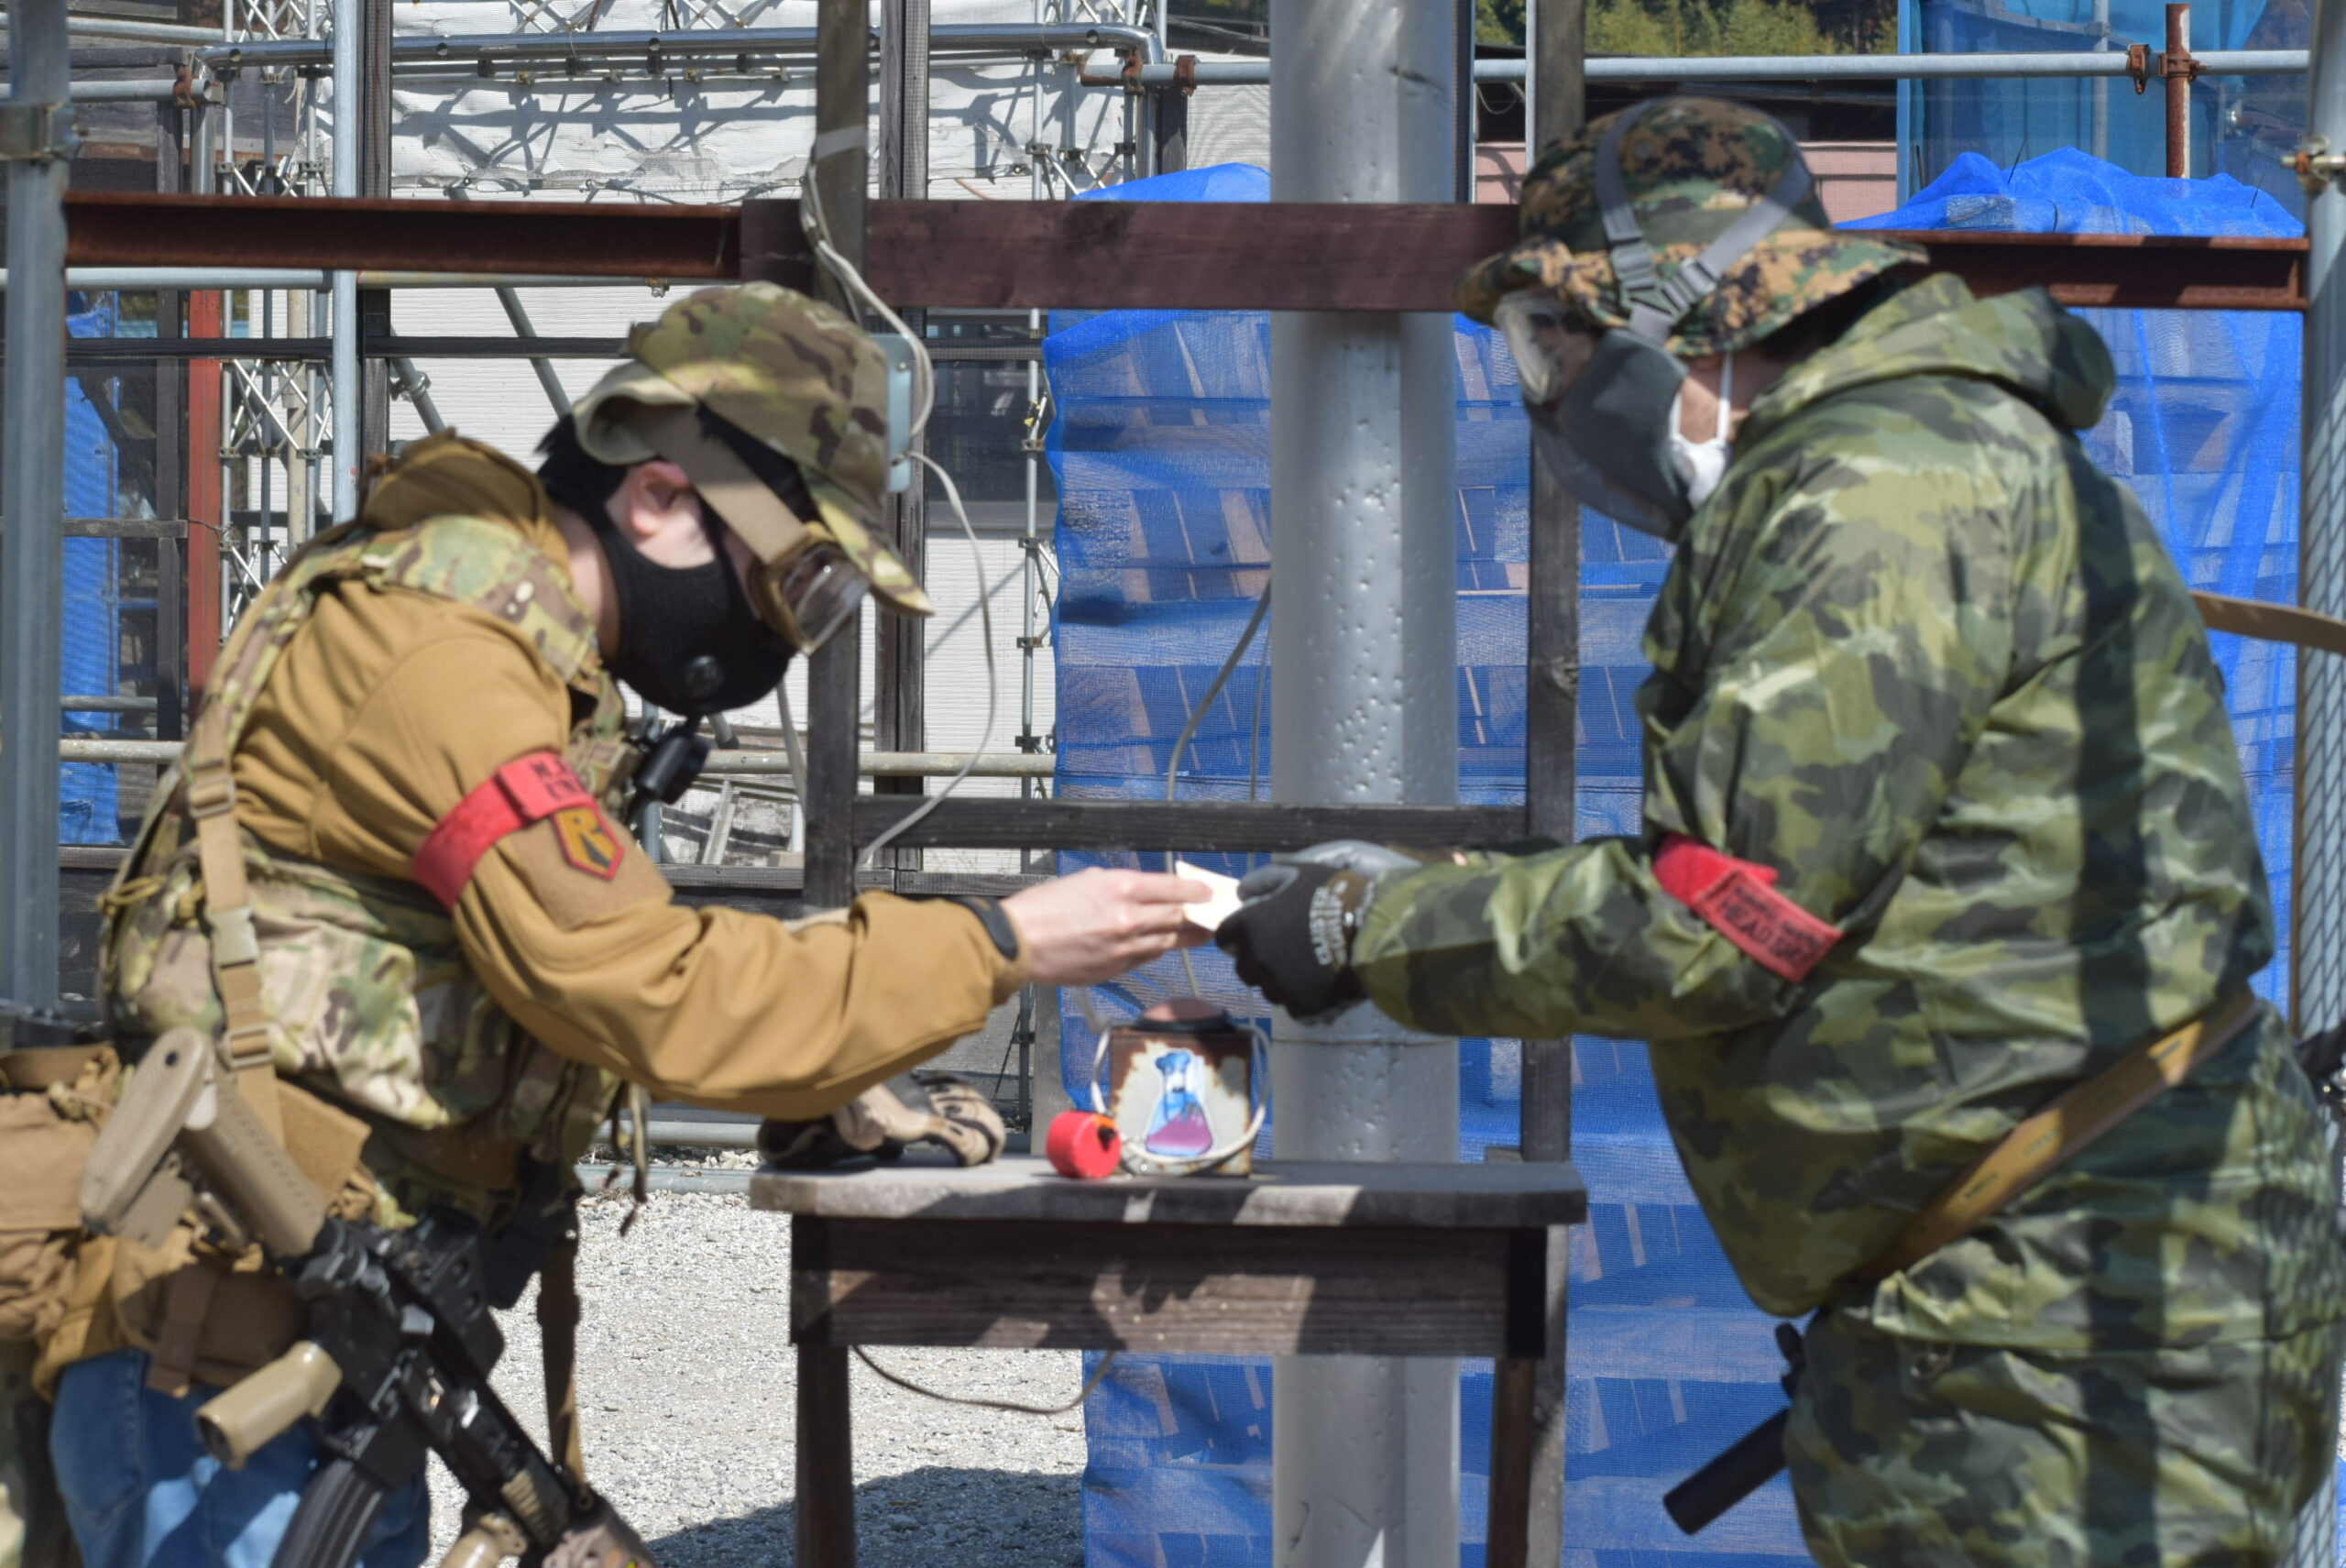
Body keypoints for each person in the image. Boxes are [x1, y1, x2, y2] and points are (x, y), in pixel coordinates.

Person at [1215, 96, 2346, 1566]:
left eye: (1554, 343)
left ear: (1683, 317)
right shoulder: (1903, 461)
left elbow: (1722, 924)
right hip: (2037, 1292)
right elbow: (1784, 882)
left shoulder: (1875, 493)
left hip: (2063, 1316)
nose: (1550, 395)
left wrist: (1375, 929)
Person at [46, 281, 1202, 1567]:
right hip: (220, 1362)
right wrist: (998, 945)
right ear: (659, 499)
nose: (782, 637)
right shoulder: (442, 654)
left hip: (308, 1336)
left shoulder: (521, 658)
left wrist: (828, 1072)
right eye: (795, 584)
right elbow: (641, 984)